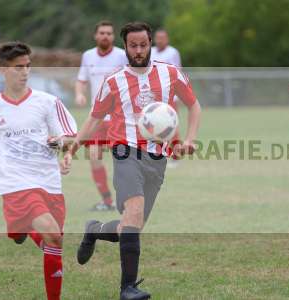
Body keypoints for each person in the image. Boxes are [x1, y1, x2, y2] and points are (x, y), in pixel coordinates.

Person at [62, 22, 201, 300]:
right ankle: (128, 288)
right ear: (124, 47)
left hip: (157, 157)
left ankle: (94, 230)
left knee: (131, 226)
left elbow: (194, 105)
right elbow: (95, 117)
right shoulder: (113, 80)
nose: (138, 51)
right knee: (134, 212)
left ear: (150, 43)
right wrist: (72, 148)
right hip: (125, 152)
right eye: (133, 46)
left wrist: (189, 139)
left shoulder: (170, 73)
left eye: (143, 45)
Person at [0, 42, 77, 300]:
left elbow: (69, 135)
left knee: (52, 240)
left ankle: (19, 227)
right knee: (54, 238)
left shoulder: (48, 102)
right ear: (4, 70)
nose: (25, 72)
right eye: (18, 67)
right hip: (14, 181)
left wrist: (65, 149)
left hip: (47, 180)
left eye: (28, 67)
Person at [75, 20, 128, 211]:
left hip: (118, 118)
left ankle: (128, 199)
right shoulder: (87, 56)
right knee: (94, 157)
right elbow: (81, 80)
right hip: (96, 118)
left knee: (123, 160)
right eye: (102, 33)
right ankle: (107, 201)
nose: (105, 36)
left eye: (109, 33)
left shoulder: (122, 56)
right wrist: (79, 94)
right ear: (95, 35)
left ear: (113, 37)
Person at [151, 29, 183, 168]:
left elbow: (178, 72)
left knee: (171, 126)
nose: (160, 40)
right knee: (153, 126)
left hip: (170, 96)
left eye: (162, 38)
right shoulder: (150, 51)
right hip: (153, 96)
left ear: (167, 39)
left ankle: (176, 156)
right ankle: (155, 155)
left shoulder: (172, 52)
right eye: (157, 38)